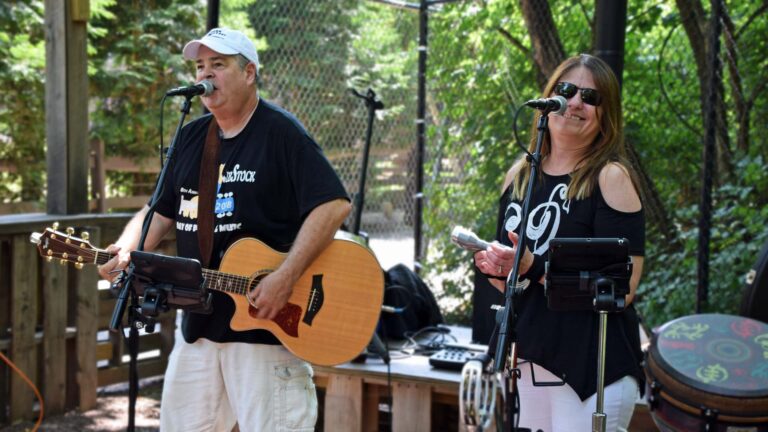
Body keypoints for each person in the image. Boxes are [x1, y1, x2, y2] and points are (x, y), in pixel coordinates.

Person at [98, 27, 351, 431]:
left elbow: (333, 203)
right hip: (198, 327)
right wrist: (127, 248)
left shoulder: (280, 133)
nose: (205, 75)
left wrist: (286, 277)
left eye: (218, 64)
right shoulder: (192, 137)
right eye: (200, 66)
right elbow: (159, 209)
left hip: (266, 332)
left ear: (249, 73)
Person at [473, 54, 645, 432]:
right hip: (530, 362)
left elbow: (623, 287)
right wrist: (495, 268)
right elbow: (512, 284)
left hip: (590, 369)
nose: (575, 102)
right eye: (566, 90)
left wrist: (534, 267)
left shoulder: (609, 177)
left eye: (591, 97)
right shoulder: (519, 175)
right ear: (547, 99)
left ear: (606, 115)